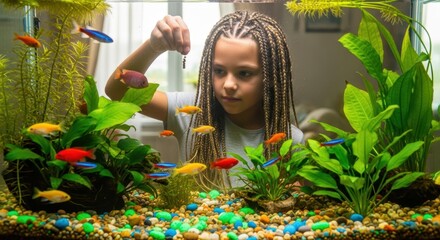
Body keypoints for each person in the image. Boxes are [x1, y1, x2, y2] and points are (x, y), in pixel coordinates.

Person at [105, 10, 304, 189]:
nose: (228, 84)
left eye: (244, 73)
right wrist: (153, 46)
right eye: (219, 71)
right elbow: (117, 91)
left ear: (271, 78)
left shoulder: (291, 139)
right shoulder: (190, 111)